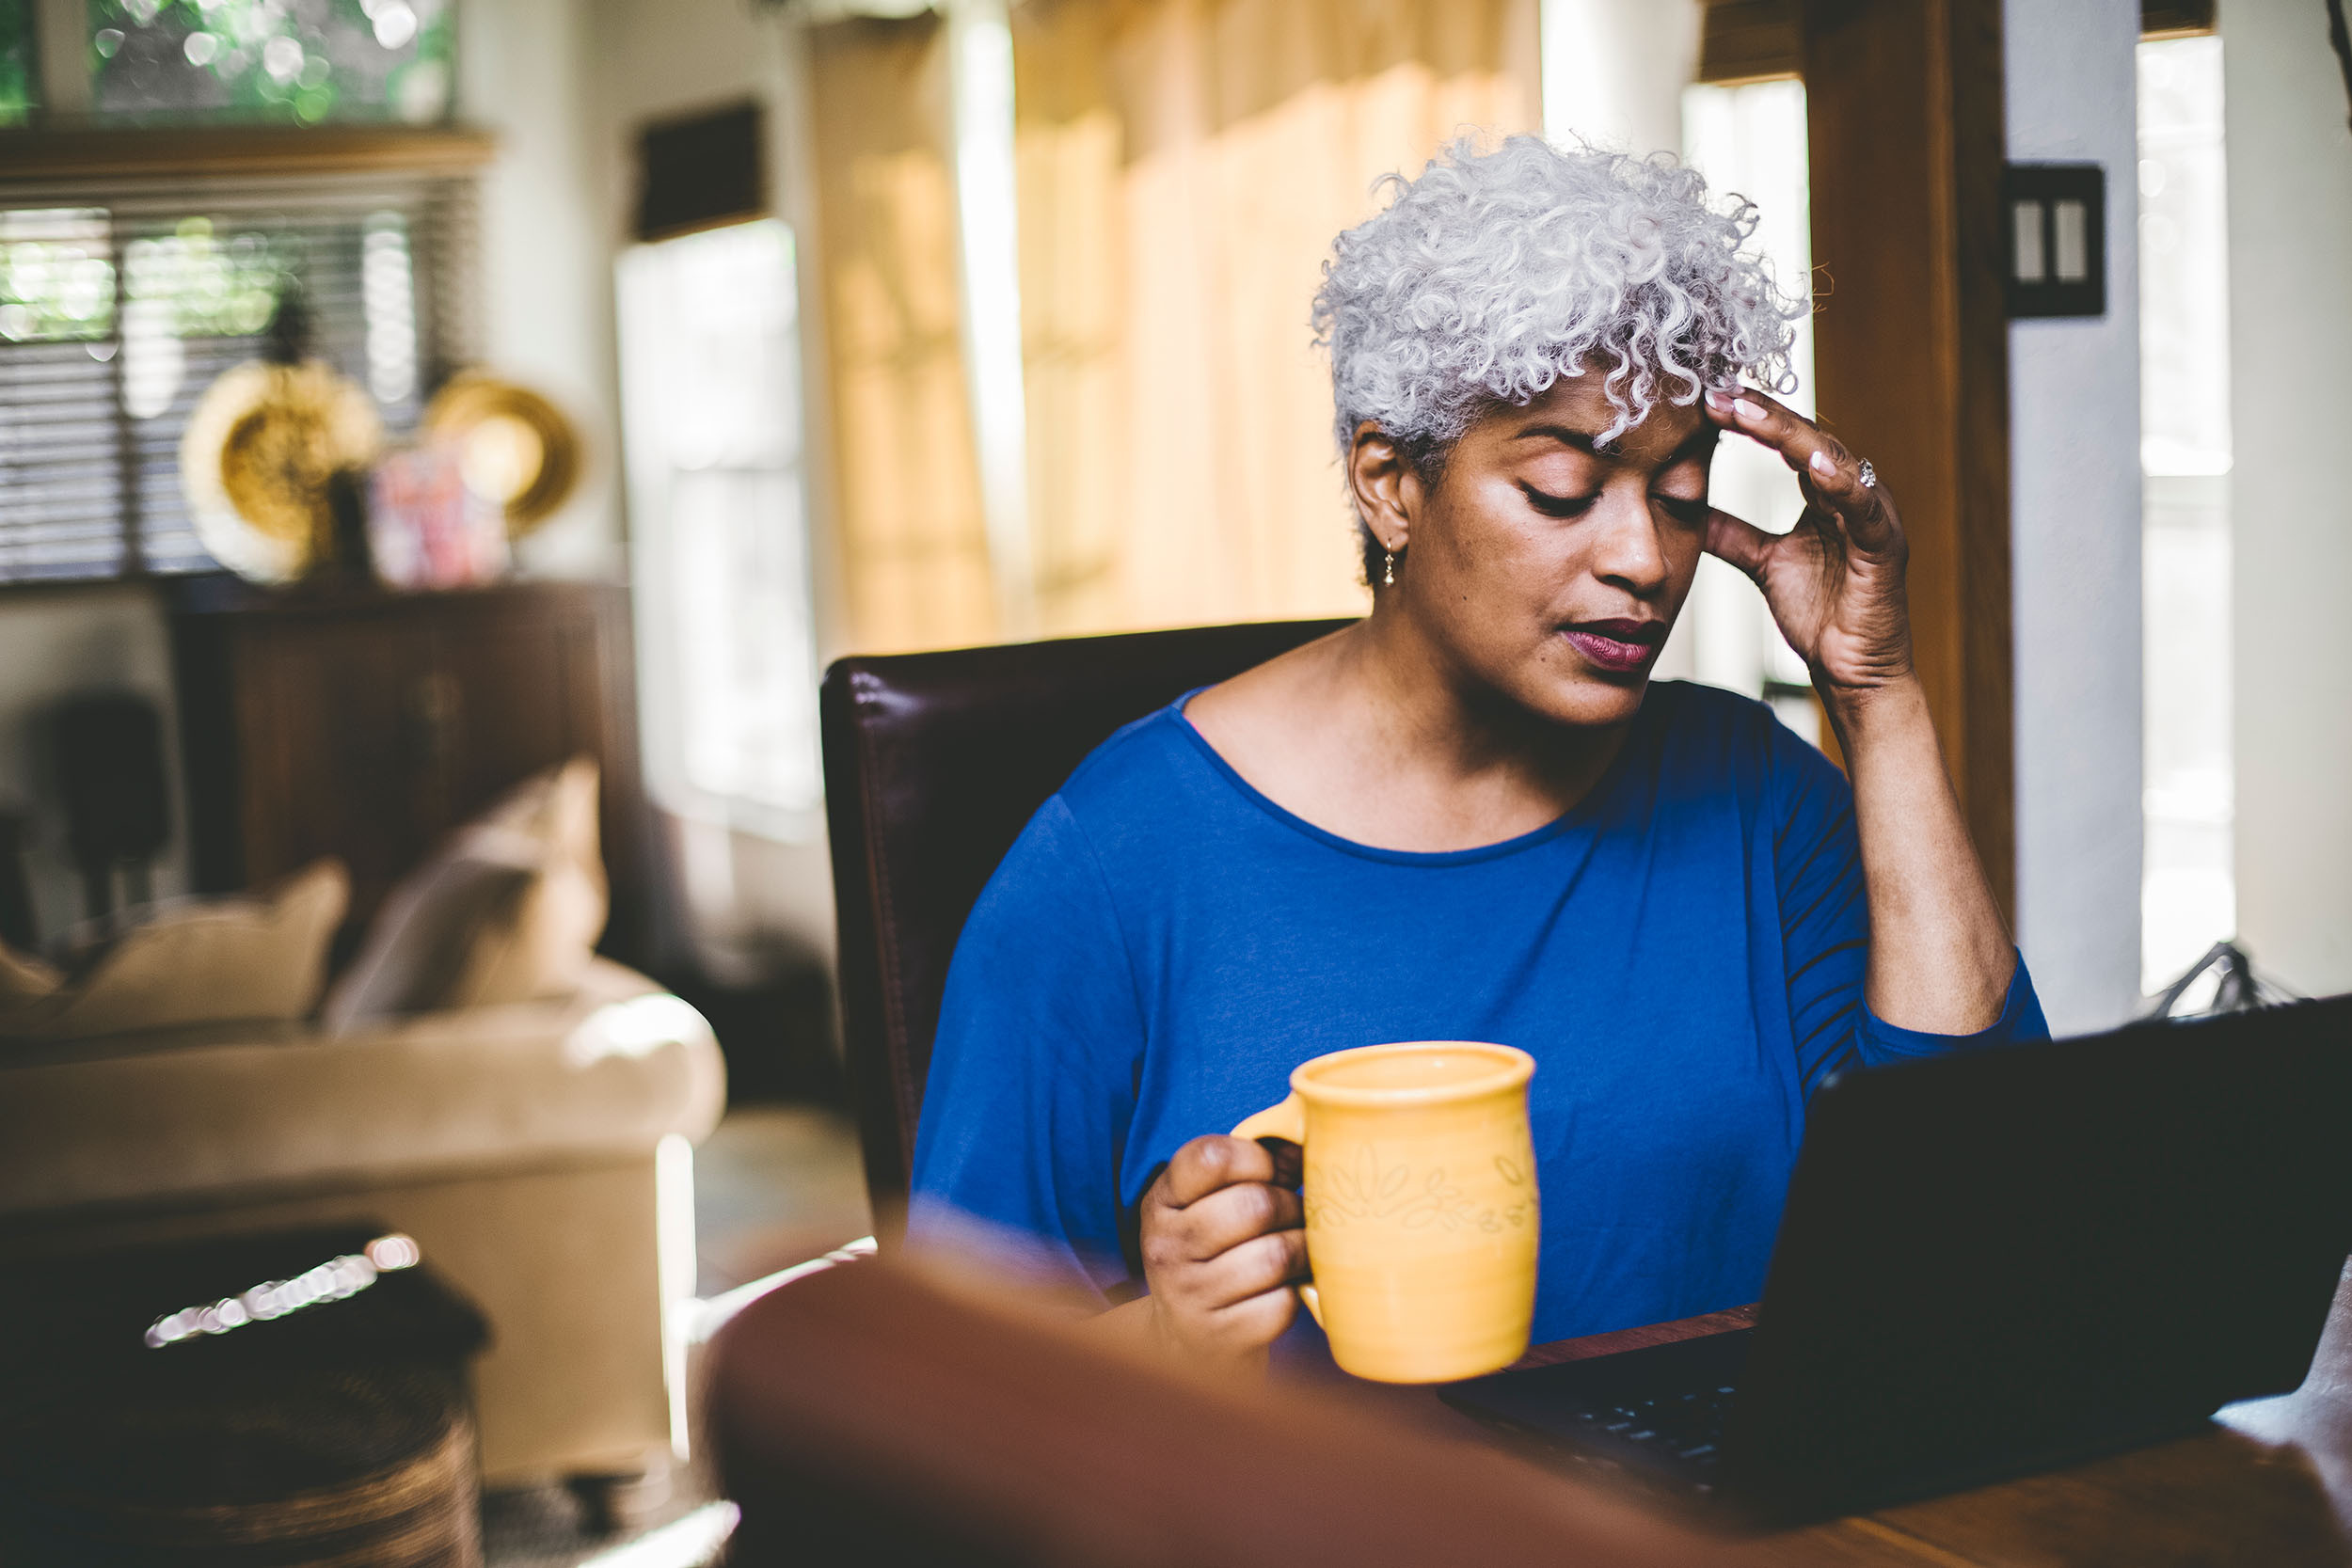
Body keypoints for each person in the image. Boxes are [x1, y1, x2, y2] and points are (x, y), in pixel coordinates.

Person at [909, 136, 2048, 1371]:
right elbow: (946, 1395)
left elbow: (1980, 1203)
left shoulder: (1752, 797)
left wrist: (1877, 692)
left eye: (1679, 495)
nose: (1645, 560)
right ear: (1389, 484)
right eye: (1561, 489)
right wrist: (1170, 1342)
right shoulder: (1116, 865)